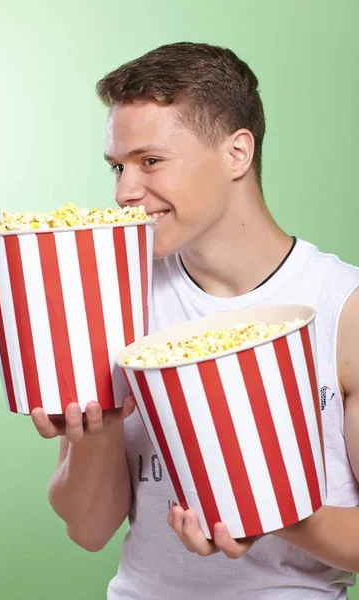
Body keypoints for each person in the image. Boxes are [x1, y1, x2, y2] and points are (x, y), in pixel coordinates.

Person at [31, 42, 359, 599]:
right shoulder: (116, 300)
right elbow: (88, 531)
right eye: (118, 166)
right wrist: (96, 429)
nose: (123, 193)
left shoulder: (342, 309)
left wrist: (261, 510)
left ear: (236, 153)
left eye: (150, 161)